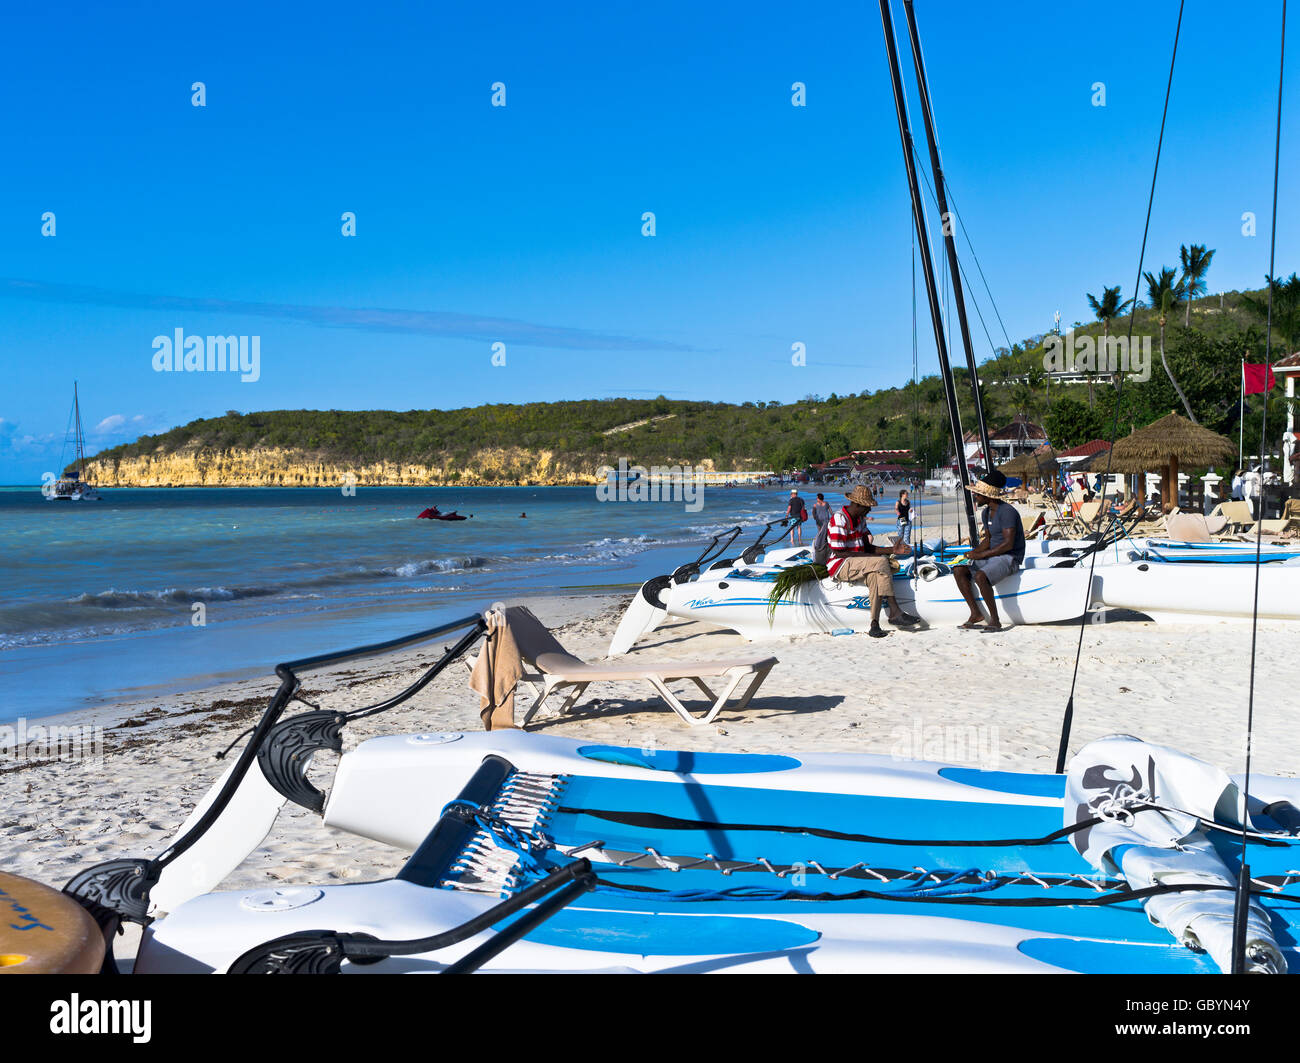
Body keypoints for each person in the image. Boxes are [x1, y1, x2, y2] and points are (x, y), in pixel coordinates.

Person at [826, 484, 919, 638]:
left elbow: (867, 548)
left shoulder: (860, 520)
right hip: (839, 565)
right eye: (866, 507)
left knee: (876, 576)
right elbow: (839, 552)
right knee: (881, 562)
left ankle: (874, 624)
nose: (869, 510)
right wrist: (873, 559)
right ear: (856, 504)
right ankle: (895, 611)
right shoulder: (839, 519)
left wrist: (892, 551)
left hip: (857, 563)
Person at [953, 471, 1025, 633]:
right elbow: (988, 540)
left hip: (1009, 557)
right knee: (959, 569)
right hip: (993, 556)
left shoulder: (1007, 512)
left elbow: (1008, 544)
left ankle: (995, 620)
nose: (975, 497)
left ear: (988, 496)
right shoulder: (986, 512)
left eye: (978, 494)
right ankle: (976, 613)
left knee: (980, 576)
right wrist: (971, 554)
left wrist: (981, 555)